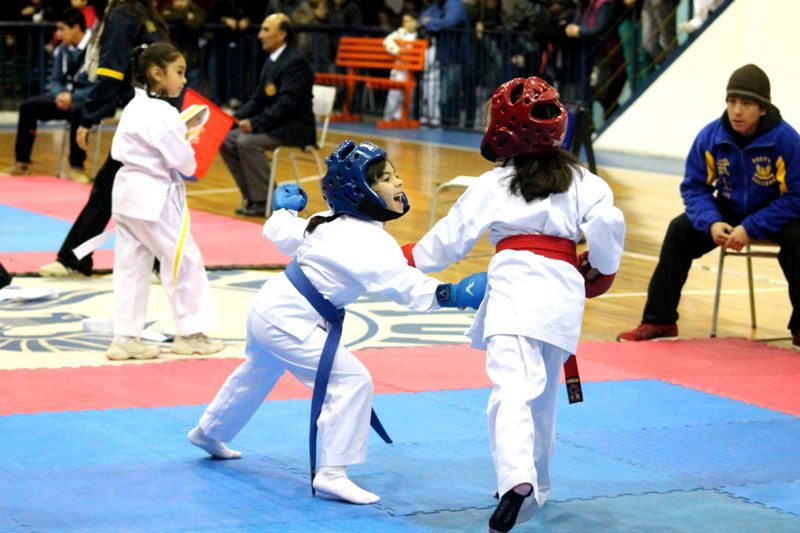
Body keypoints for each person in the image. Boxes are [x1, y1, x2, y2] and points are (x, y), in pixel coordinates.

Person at [188, 139, 487, 504]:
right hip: (289, 321)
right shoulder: (369, 242)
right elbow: (403, 286)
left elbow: (282, 232)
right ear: (361, 190)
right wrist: (451, 295)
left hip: (269, 309)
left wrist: (283, 210)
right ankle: (331, 473)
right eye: (387, 178)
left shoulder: (324, 221)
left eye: (395, 176)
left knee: (257, 372)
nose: (399, 184)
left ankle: (209, 431)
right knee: (351, 381)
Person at [403, 77, 625, 531]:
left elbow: (450, 240)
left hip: (516, 287)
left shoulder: (495, 183)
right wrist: (602, 269)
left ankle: (516, 480)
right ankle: (537, 487)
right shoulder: (585, 181)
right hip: (564, 291)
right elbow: (609, 222)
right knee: (542, 399)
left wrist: (408, 260)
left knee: (511, 391)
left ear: (503, 129)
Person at [618, 64, 800, 350]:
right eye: (732, 102)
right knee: (679, 230)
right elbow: (694, 187)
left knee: (799, 239)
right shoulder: (712, 136)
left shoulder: (786, 141)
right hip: (727, 209)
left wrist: (751, 228)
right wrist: (711, 221)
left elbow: (796, 198)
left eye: (746, 104)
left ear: (763, 108)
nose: (737, 110)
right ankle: (660, 320)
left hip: (776, 214)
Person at [106, 42, 224, 360]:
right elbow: (184, 162)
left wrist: (180, 131)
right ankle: (190, 334)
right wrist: (186, 136)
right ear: (157, 74)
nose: (184, 80)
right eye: (179, 72)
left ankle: (125, 338)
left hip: (126, 195)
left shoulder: (134, 105)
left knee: (132, 267)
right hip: (154, 196)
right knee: (183, 260)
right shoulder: (161, 111)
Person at [38, 0, 171, 277]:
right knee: (129, 188)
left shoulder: (123, 14)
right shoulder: (145, 13)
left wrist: (89, 117)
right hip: (159, 112)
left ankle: (75, 259)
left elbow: (112, 74)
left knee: (110, 188)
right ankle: (159, 263)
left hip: (146, 116)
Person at [219, 13, 315, 217]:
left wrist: (255, 124)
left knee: (246, 141)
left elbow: (286, 105)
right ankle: (253, 197)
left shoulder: (295, 62)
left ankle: (268, 201)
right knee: (227, 139)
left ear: (281, 34)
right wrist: (233, 118)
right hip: (277, 123)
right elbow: (258, 99)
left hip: (294, 127)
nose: (260, 35)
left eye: (265, 30)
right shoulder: (273, 60)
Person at [2, 7, 93, 181]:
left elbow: (99, 86)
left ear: (75, 28)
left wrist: (72, 97)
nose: (58, 34)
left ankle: (77, 166)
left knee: (78, 111)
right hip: (64, 99)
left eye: (61, 29)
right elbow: (56, 80)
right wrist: (60, 95)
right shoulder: (62, 49)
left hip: (87, 101)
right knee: (29, 107)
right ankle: (22, 162)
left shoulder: (96, 49)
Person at [381, 11, 418, 123]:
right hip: (400, 69)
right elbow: (387, 41)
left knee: (409, 96)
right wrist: (395, 49)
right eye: (404, 22)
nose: (405, 24)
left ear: (415, 22)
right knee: (394, 94)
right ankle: (388, 117)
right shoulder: (400, 33)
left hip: (412, 70)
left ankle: (401, 117)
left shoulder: (419, 34)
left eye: (408, 21)